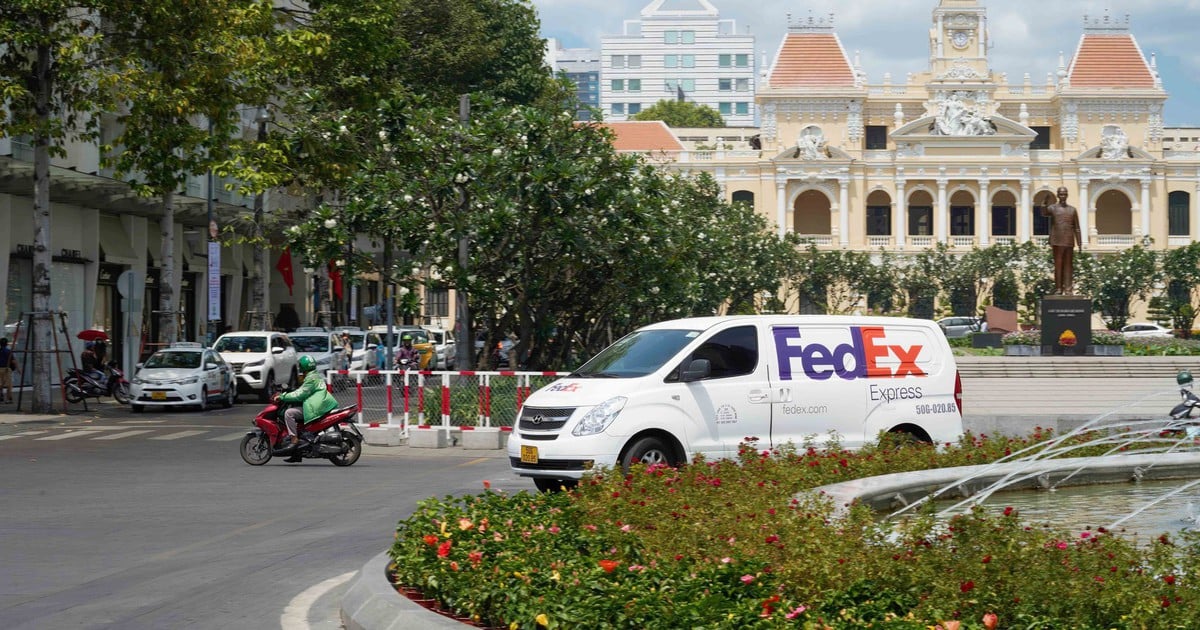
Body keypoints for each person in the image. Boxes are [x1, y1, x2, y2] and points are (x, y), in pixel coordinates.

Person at [275, 355, 337, 463]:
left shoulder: (311, 378)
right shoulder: (314, 376)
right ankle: (297, 454)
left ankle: (294, 440)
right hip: (318, 405)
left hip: (314, 408)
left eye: (300, 366)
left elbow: (300, 394)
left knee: (289, 413)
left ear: (303, 366)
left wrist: (283, 396)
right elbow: (303, 391)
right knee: (296, 417)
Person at [1041, 187, 1083, 295]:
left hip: (1069, 241)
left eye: (1064, 194)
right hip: (1057, 241)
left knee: (1068, 266)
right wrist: (1044, 202)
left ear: (1067, 195)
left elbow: (1077, 228)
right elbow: (1044, 213)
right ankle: (1058, 288)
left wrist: (1080, 243)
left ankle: (1068, 289)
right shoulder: (1053, 208)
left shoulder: (1072, 210)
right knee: (1058, 266)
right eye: (1061, 194)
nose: (1063, 196)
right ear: (1058, 195)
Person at [0, 338, 15, 403]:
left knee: (0, 384)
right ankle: (9, 399)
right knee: (9, 385)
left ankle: (1, 396)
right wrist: (19, 369)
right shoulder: (9, 351)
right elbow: (13, 361)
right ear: (6, 344)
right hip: (6, 369)